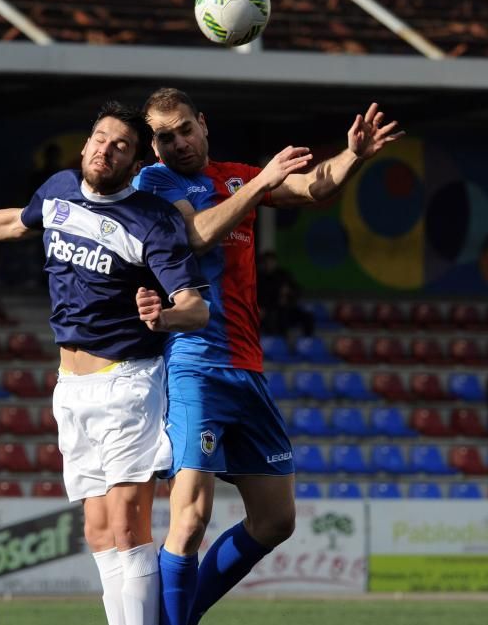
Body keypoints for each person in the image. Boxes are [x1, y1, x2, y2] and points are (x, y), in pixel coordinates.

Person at [0, 100, 210, 625]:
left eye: (121, 146)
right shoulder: (59, 190)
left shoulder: (152, 220)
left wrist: (164, 317)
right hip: (70, 386)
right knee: (99, 531)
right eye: (100, 139)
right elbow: (16, 222)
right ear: (85, 144)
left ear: (136, 164)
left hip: (127, 381)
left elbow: (195, 308)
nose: (106, 150)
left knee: (130, 526)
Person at [133, 88, 404, 625]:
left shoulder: (235, 174)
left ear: (202, 124)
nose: (178, 143)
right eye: (164, 137)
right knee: (189, 521)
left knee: (276, 519)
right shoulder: (155, 181)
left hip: (247, 368)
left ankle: (178, 618)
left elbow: (309, 187)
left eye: (185, 129)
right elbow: (197, 235)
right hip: (194, 362)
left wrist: (352, 155)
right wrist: (261, 182)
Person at [256, 250, 314, 341]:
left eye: (272, 261)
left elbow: (297, 290)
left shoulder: (283, 275)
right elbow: (258, 298)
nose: (269, 264)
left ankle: (308, 342)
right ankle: (280, 344)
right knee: (275, 318)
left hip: (288, 309)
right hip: (269, 311)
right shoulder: (259, 278)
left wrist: (289, 292)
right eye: (267, 262)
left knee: (307, 316)